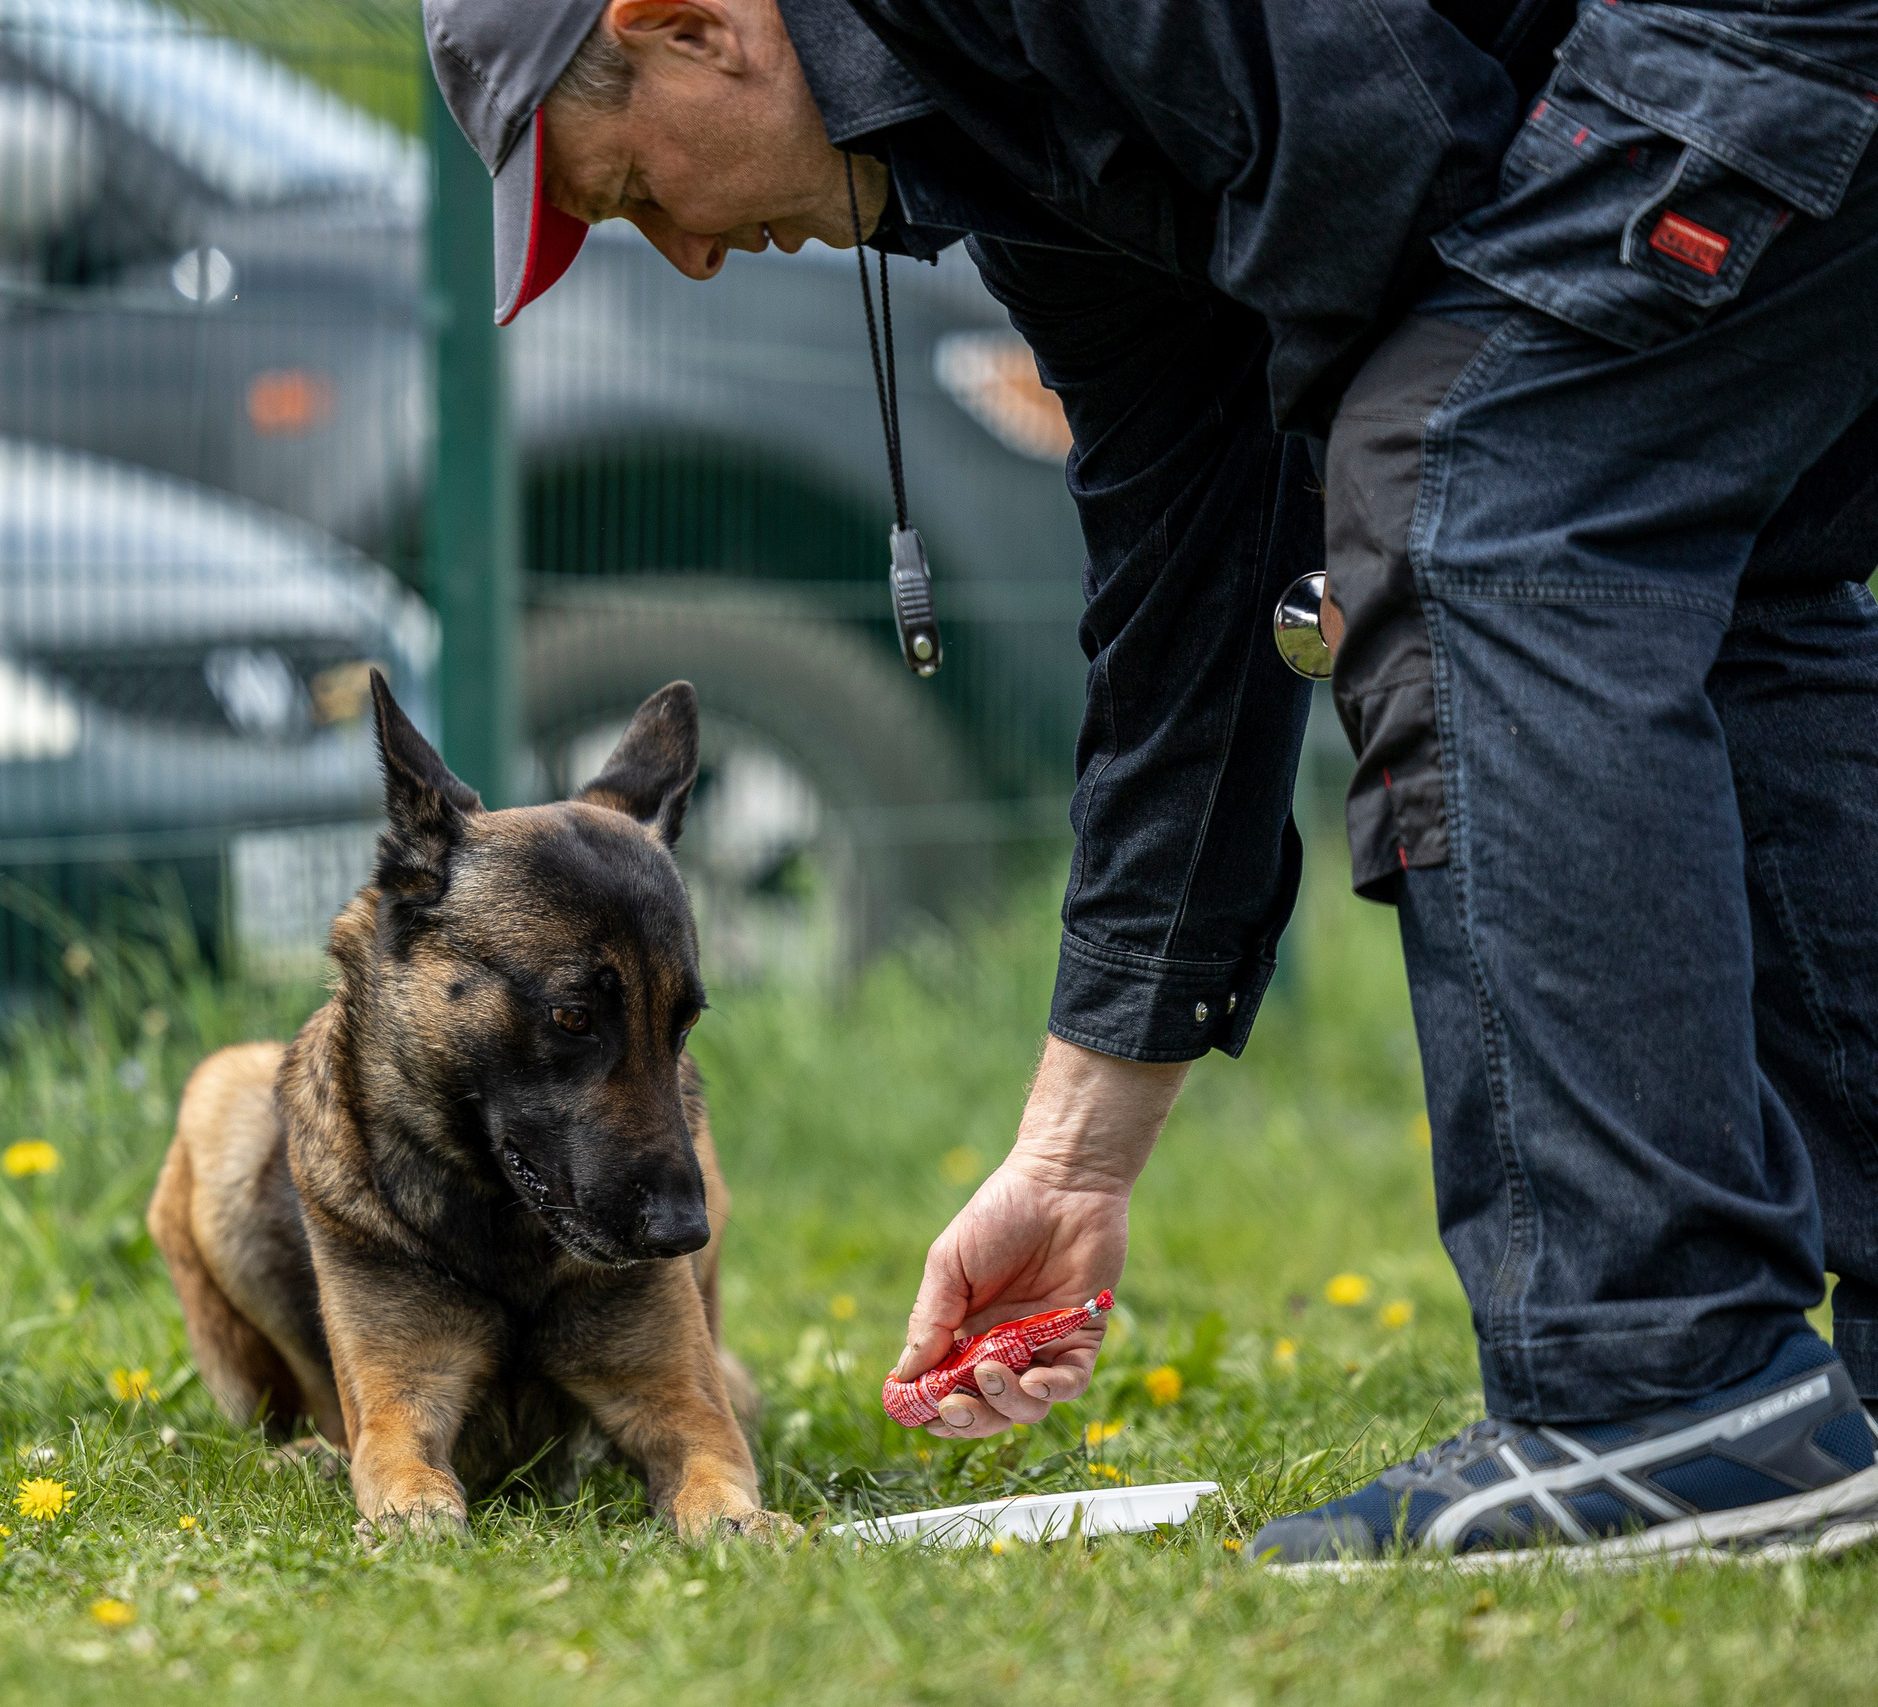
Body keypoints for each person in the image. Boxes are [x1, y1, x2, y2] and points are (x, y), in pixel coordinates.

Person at [423, 0, 1878, 1560]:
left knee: (1478, 502)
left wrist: (1395, 523)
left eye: (635, 193)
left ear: (693, 27)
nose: (690, 254)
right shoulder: (1011, 139)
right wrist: (1074, 1154)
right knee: (1678, 574)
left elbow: (1388, 136)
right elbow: (1194, 585)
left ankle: (1655, 1390)